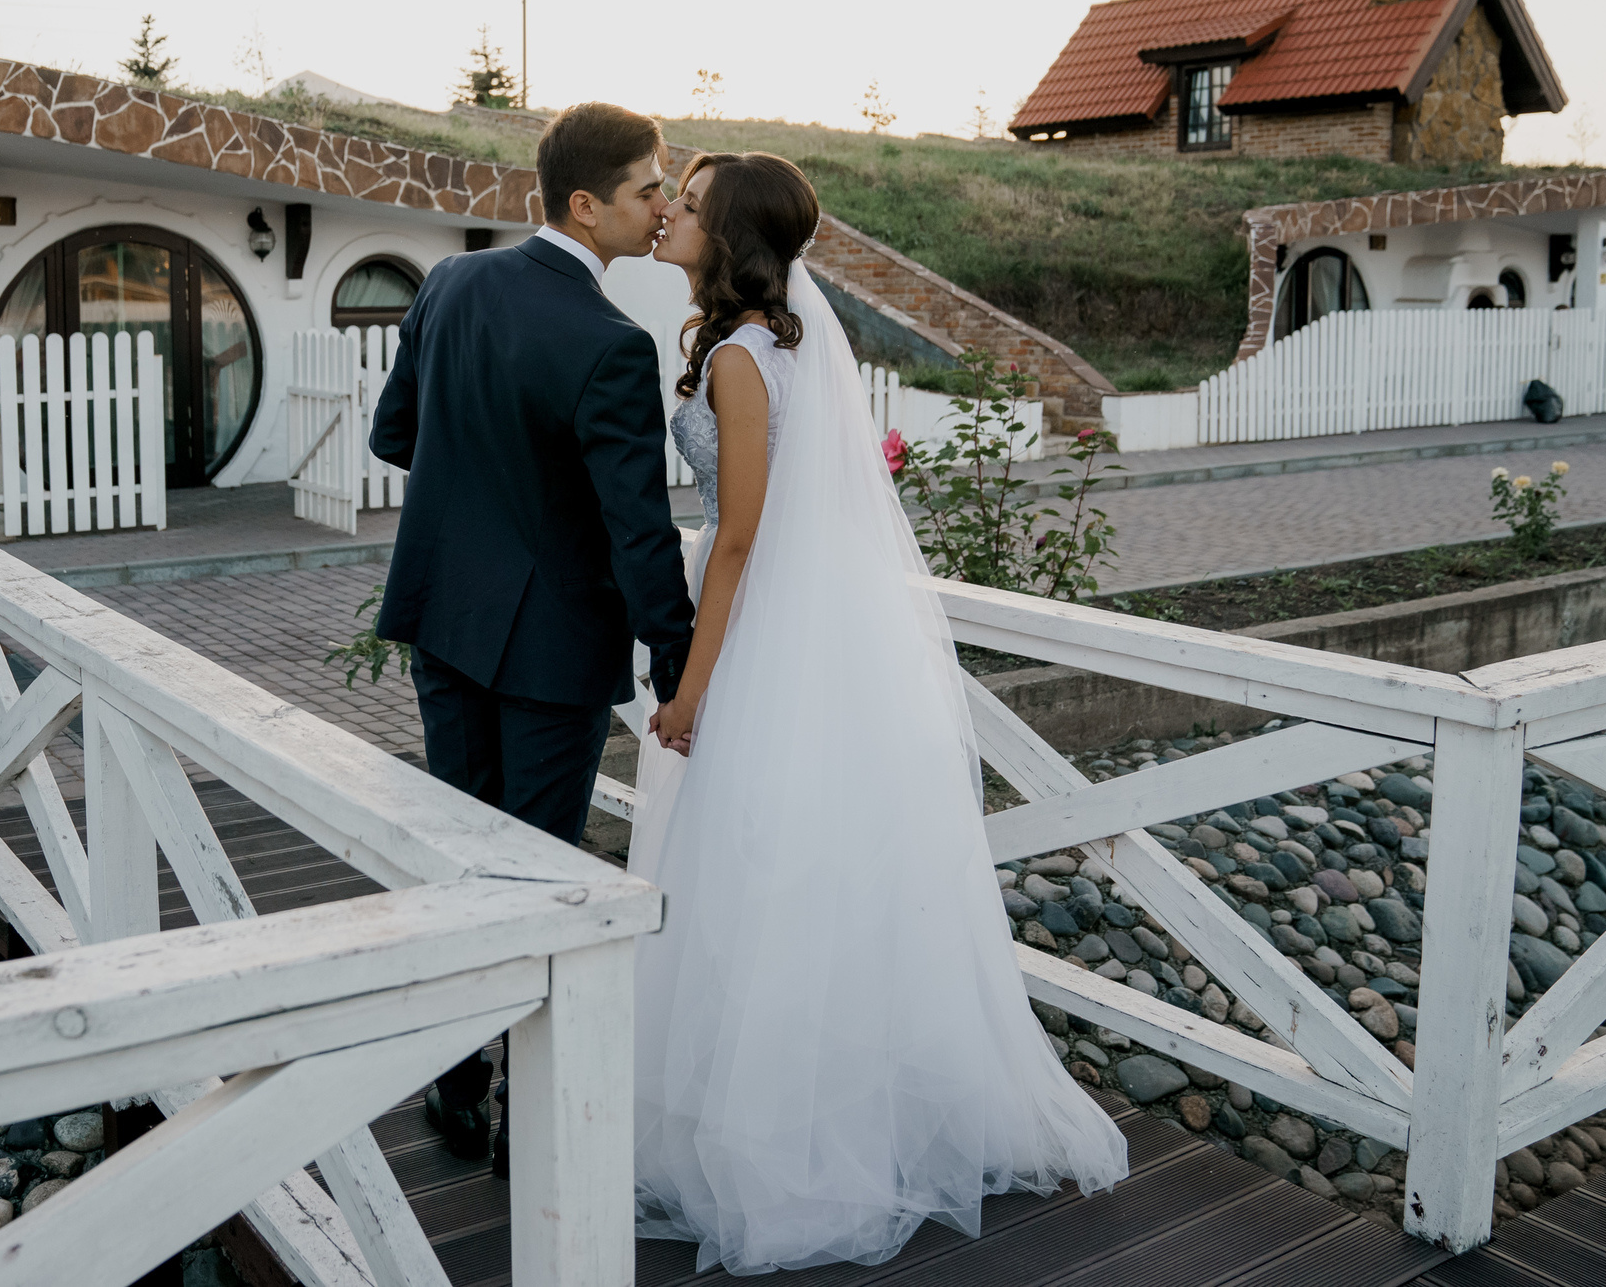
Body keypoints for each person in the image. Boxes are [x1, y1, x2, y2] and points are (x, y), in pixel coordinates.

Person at [629, 151, 1127, 1275]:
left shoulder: (744, 363)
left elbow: (743, 538)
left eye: (691, 208)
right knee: (807, 864)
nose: (670, 215)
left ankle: (787, 1135)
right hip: (803, 621)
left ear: (734, 237)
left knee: (763, 865)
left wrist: (690, 690)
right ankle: (826, 1095)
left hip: (760, 633)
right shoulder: (758, 348)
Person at [369, 100, 698, 1176]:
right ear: (585, 203)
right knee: (541, 874)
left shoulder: (452, 284)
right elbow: (636, 531)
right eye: (650, 189)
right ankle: (526, 1117)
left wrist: (488, 502)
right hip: (550, 650)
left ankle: (455, 1082)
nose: (662, 207)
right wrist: (677, 659)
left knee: (462, 858)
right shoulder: (609, 344)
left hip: (443, 620)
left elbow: (394, 434)